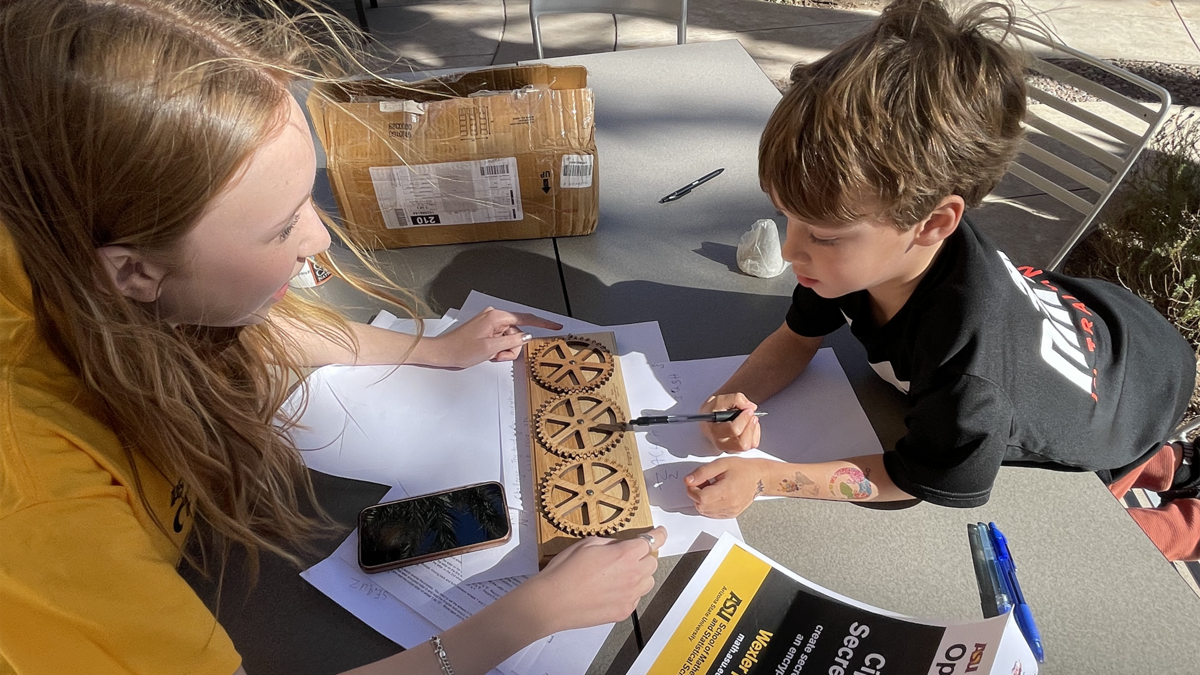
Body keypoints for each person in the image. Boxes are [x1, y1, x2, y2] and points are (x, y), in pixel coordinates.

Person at [0, 1, 665, 674]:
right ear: (132, 270)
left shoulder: (64, 239)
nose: (319, 240)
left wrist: (430, 349)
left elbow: (251, 325)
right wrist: (532, 615)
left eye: (305, 201)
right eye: (282, 227)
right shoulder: (43, 512)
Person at [682, 0, 1200, 561]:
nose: (789, 249)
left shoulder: (970, 376)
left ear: (933, 223)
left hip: (1130, 401)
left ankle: (1179, 503)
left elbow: (908, 480)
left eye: (824, 235)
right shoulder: (866, 255)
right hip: (1101, 331)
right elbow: (796, 339)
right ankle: (1172, 463)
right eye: (787, 217)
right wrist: (733, 397)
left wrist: (764, 478)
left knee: (1104, 556)